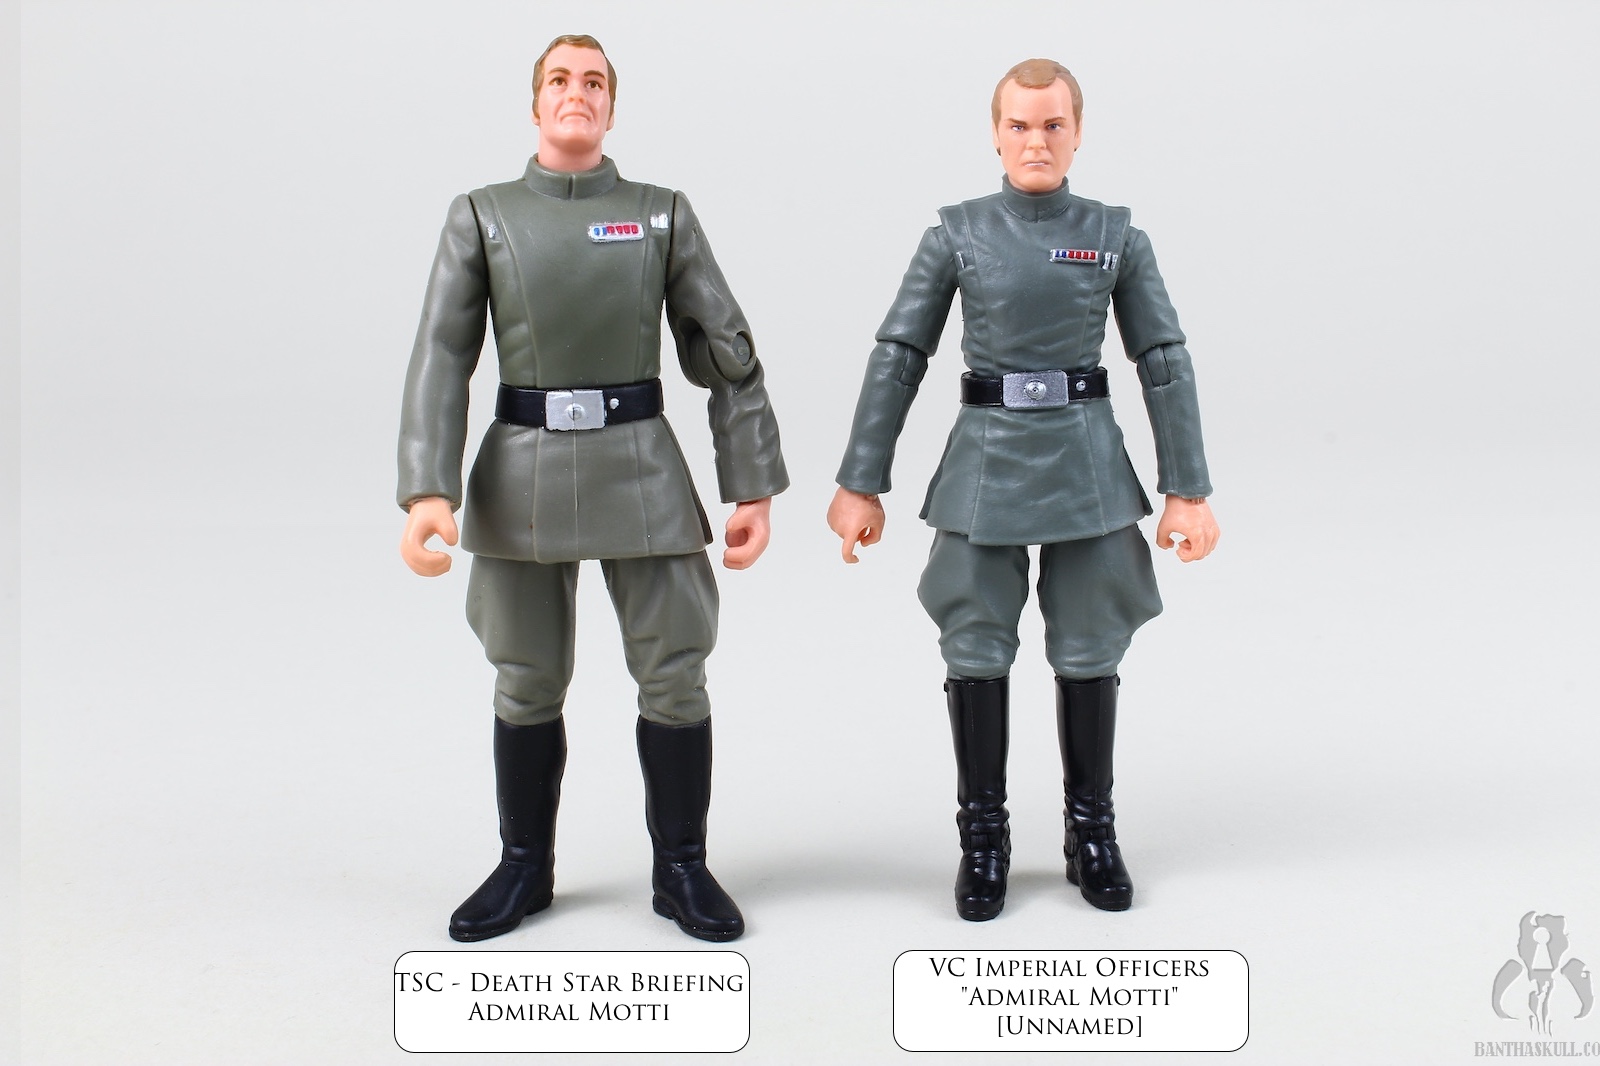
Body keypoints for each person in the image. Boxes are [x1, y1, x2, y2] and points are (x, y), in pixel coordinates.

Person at [398, 34, 787, 943]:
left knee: (676, 668)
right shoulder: (483, 217)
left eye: (595, 82)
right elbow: (442, 356)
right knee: (524, 673)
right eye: (560, 80)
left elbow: (727, 351)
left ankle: (682, 866)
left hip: (640, 464)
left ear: (612, 105)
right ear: (535, 102)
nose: (577, 94)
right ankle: (523, 865)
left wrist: (751, 483)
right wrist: (427, 489)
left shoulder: (660, 215)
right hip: (522, 470)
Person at [828, 58, 1218, 921]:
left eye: (1052, 125)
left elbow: (1162, 358)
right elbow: (900, 355)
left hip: (1085, 461)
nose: (1035, 141)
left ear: (1077, 133)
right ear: (995, 134)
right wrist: (861, 480)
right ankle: (983, 837)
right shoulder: (956, 234)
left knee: (1091, 641)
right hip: (986, 459)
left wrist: (1187, 489)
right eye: (1018, 125)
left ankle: (1092, 829)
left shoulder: (1114, 234)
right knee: (974, 642)